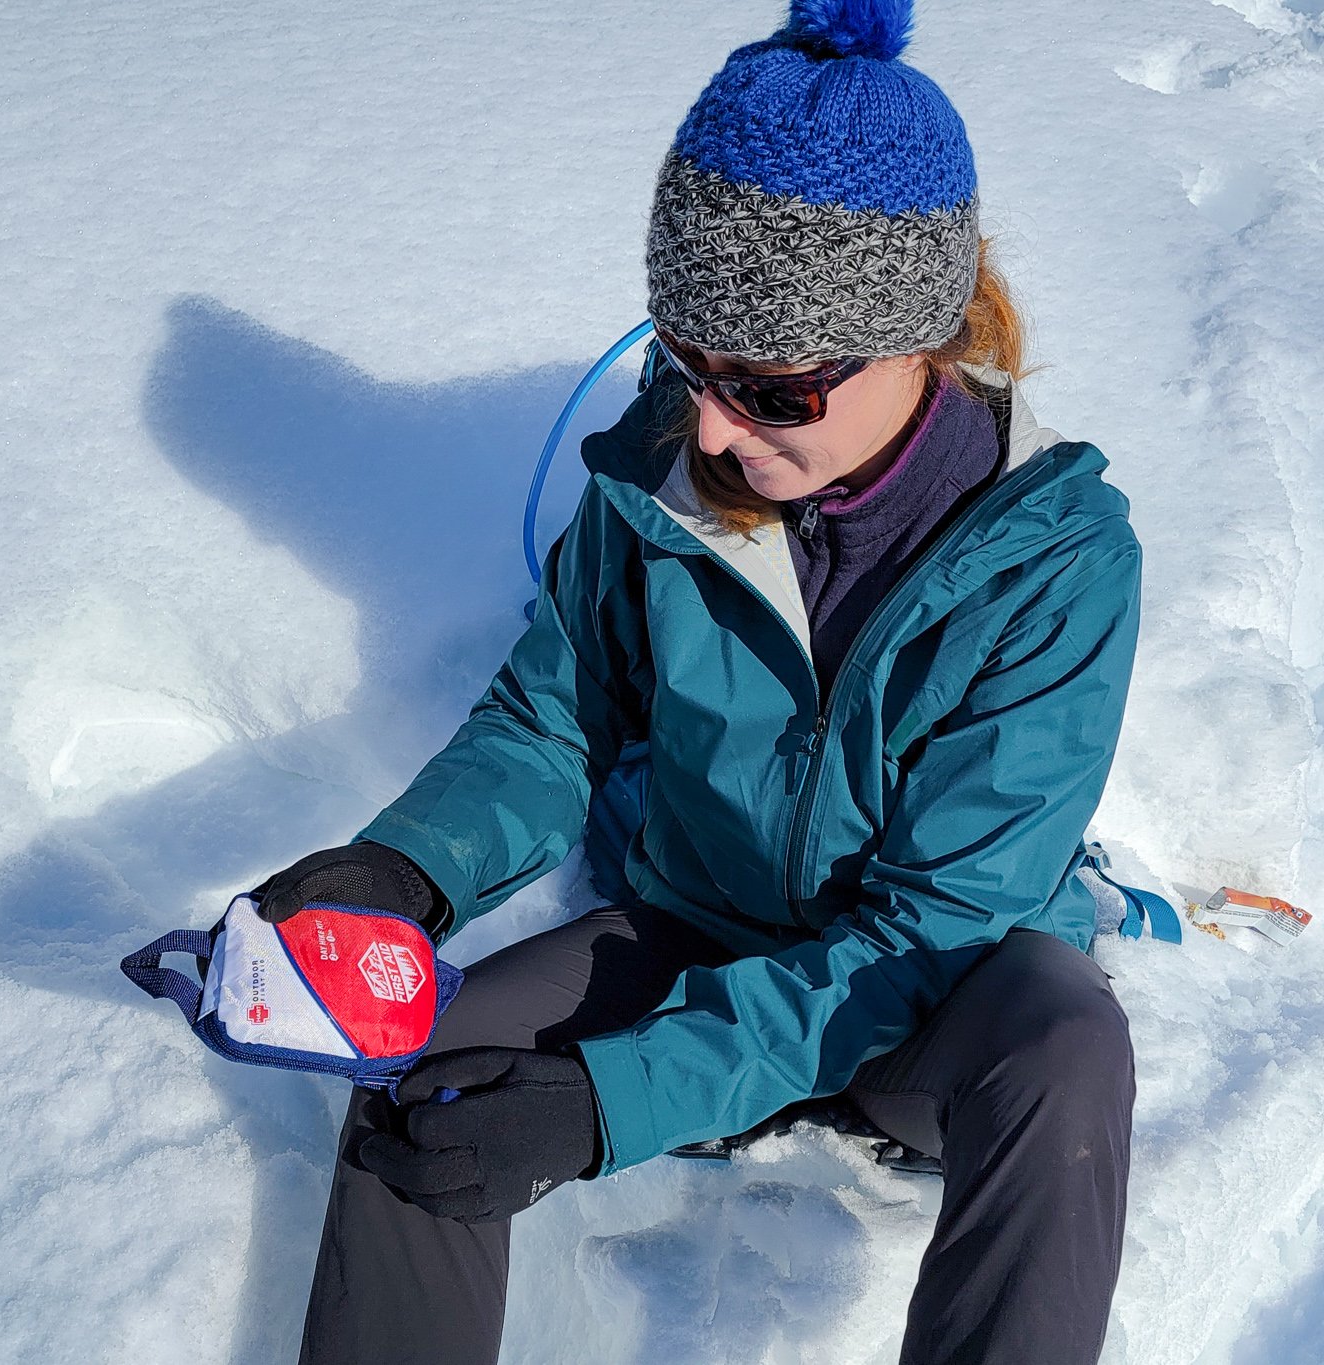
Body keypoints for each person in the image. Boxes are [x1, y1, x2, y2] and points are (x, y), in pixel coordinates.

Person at [264, 3, 1141, 1361]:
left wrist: (607, 1100)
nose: (720, 430)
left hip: (922, 1006)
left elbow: (926, 936)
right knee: (423, 1096)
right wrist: (408, 871)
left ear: (910, 336)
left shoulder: (1056, 566)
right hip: (689, 936)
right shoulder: (663, 482)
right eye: (689, 366)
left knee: (1068, 1049)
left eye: (774, 389)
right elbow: (553, 717)